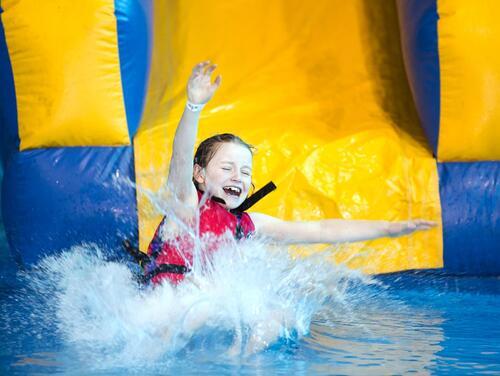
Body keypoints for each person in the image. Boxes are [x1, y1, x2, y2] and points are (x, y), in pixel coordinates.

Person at [139, 61, 436, 355]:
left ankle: (237, 362)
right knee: (206, 297)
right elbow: (180, 157)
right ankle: (160, 351)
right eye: (227, 167)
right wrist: (193, 106)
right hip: (168, 304)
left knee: (283, 314)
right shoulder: (187, 204)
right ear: (199, 175)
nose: (238, 177)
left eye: (245, 172)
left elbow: (320, 230)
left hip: (206, 306)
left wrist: (386, 228)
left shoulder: (247, 224)